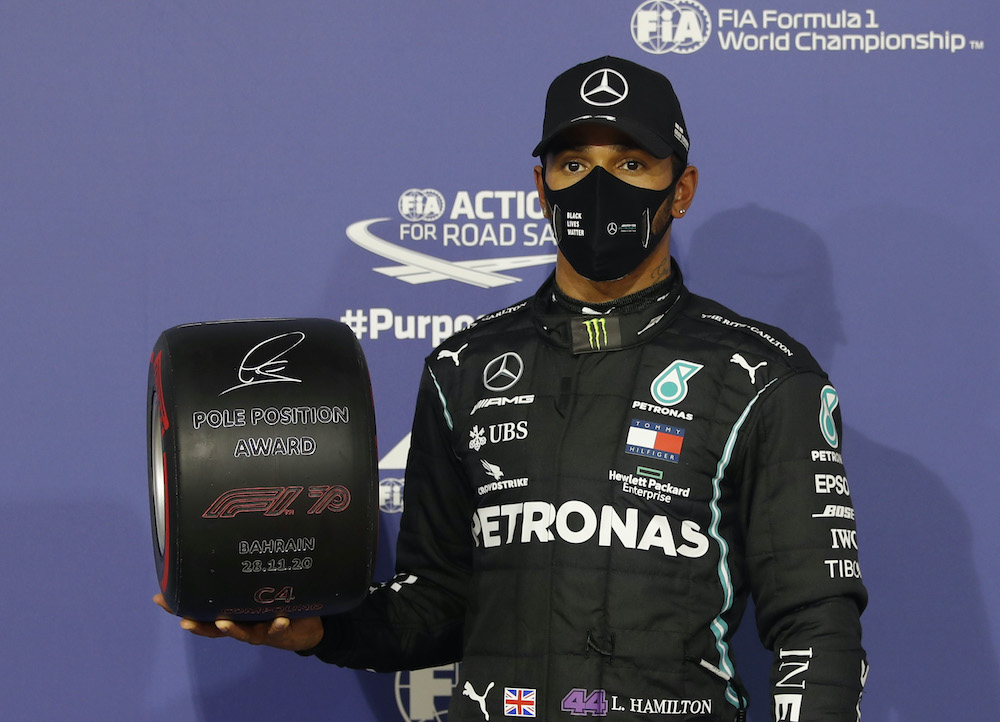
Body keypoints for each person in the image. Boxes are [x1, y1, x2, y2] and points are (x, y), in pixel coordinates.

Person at [157, 56, 867, 721]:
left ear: (681, 189)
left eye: (630, 163)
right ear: (540, 188)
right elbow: (436, 603)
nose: (599, 186)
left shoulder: (763, 374)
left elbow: (816, 621)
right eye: (572, 164)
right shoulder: (464, 366)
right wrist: (319, 630)